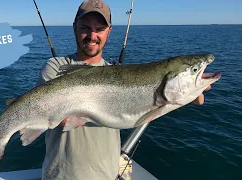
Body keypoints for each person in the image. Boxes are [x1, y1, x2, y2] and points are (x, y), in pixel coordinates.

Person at [35, 0, 211, 179]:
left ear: (109, 31)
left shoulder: (116, 73)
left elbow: (165, 100)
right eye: (85, 27)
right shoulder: (56, 68)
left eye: (100, 29)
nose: (92, 35)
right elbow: (56, 114)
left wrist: (191, 93)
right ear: (74, 27)